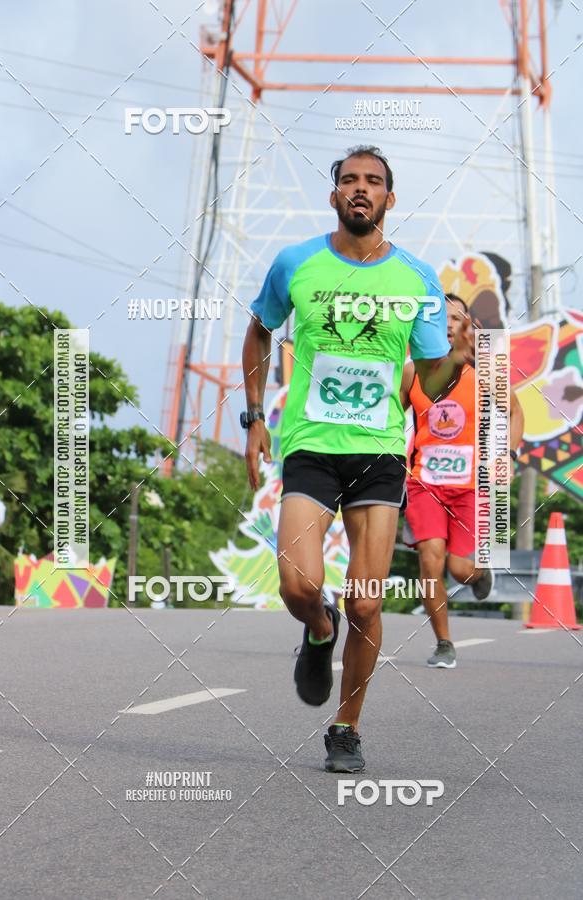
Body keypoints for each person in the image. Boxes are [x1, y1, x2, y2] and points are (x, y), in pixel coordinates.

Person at [241, 145, 475, 773]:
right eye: (350, 181)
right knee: (299, 583)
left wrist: (459, 357)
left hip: (378, 453)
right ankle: (320, 631)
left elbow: (428, 369)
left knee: (367, 600)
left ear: (390, 200)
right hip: (311, 445)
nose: (361, 190)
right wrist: (255, 418)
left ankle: (346, 727)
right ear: (335, 195)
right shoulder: (297, 263)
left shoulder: (418, 278)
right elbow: (260, 329)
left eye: (373, 182)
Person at [401, 293, 525, 668]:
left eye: (458, 318)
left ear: (468, 327)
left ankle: (479, 573)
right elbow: (390, 417)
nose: (450, 324)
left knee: (459, 568)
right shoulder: (412, 371)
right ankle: (443, 642)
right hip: (424, 482)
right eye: (443, 318)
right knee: (430, 558)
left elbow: (516, 413)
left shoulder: (484, 372)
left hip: (471, 486)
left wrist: (510, 453)